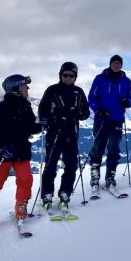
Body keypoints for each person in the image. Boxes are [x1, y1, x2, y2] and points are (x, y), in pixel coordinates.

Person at [0, 74, 40, 235]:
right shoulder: (0, 109)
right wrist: (0, 148)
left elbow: (30, 127)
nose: (27, 88)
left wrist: (41, 125)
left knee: (25, 179)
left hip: (21, 150)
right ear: (16, 88)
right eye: (25, 86)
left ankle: (21, 207)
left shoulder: (26, 107)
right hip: (1, 154)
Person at [37, 62, 90, 213]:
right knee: (50, 165)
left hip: (72, 133)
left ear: (75, 77)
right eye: (65, 75)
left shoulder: (78, 92)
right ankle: (47, 194)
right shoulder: (52, 90)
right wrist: (49, 119)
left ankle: (65, 192)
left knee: (71, 165)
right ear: (60, 75)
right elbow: (43, 110)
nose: (68, 78)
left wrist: (79, 113)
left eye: (71, 76)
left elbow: (85, 112)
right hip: (54, 133)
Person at [87, 55, 131, 193]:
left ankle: (110, 175)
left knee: (114, 148)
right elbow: (91, 96)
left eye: (119, 63)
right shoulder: (100, 78)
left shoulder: (126, 81)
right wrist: (98, 110)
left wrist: (128, 102)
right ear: (110, 64)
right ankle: (95, 176)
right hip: (102, 118)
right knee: (98, 146)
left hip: (117, 119)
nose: (116, 65)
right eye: (114, 63)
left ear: (121, 65)